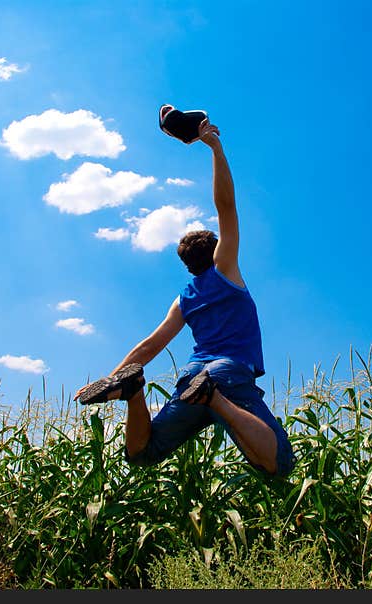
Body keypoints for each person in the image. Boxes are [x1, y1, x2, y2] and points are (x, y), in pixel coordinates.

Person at [74, 117, 295, 478]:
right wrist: (216, 148)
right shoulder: (225, 270)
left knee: (143, 453)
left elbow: (150, 346)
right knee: (279, 464)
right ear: (215, 251)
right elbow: (226, 207)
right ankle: (213, 399)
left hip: (191, 374)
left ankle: (134, 394)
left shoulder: (185, 298)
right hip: (225, 375)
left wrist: (114, 378)